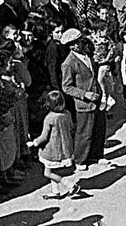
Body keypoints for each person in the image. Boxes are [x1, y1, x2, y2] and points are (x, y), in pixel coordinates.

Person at [60, 32, 107, 170]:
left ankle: (97, 155)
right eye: (71, 45)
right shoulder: (68, 63)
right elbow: (66, 87)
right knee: (84, 133)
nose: (75, 46)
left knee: (99, 128)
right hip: (84, 103)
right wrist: (84, 94)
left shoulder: (87, 54)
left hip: (97, 97)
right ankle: (80, 159)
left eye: (77, 42)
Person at [26, 91, 79, 200]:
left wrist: (34, 143)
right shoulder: (67, 114)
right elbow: (71, 128)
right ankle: (55, 191)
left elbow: (44, 137)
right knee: (51, 170)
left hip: (51, 150)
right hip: (64, 148)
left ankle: (69, 185)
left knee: (48, 172)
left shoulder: (49, 118)